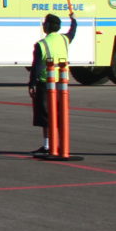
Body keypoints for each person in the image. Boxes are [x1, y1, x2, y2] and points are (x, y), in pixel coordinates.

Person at [30, 12, 77, 154]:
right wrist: (74, 20)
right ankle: (61, 145)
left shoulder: (42, 44)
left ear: (49, 26)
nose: (43, 25)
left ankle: (47, 145)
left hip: (46, 84)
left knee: (46, 116)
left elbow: (37, 66)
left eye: (45, 23)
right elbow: (72, 32)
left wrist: (32, 83)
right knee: (59, 114)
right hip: (62, 83)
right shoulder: (64, 39)